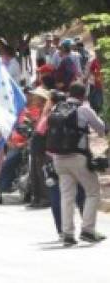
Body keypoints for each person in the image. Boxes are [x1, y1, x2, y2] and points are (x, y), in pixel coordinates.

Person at [48, 83, 106, 245]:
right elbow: (101, 128)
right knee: (93, 192)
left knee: (67, 196)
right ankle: (87, 229)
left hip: (57, 158)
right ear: (84, 94)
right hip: (78, 157)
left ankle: (67, 234)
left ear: (69, 93)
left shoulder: (56, 108)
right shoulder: (84, 109)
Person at [0, 87, 47, 205]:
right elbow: (13, 125)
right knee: (7, 166)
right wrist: (9, 139)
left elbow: (37, 128)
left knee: (35, 170)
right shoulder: (21, 110)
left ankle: (37, 196)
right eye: (27, 94)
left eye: (31, 95)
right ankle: (0, 193)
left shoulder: (41, 111)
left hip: (29, 145)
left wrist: (26, 139)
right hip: (16, 144)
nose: (29, 97)